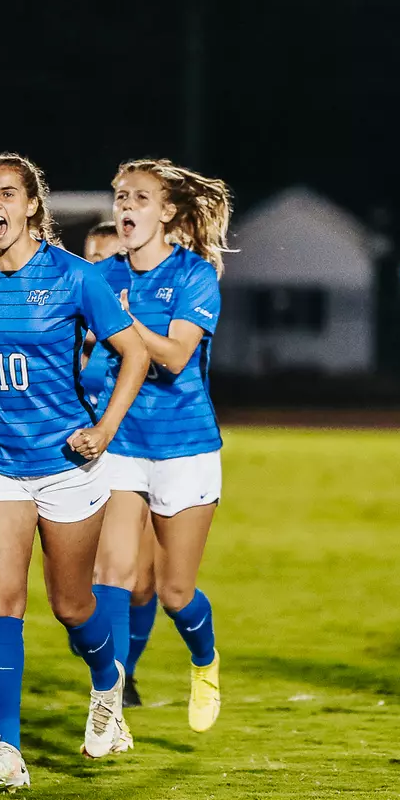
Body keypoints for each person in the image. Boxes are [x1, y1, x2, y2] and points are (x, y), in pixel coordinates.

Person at [0, 153, 150, 792]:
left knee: (72, 606)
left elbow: (132, 353)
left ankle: (107, 684)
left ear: (32, 206)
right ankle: (5, 750)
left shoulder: (77, 279)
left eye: (8, 193)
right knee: (0, 600)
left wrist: (103, 430)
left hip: (66, 465)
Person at [91, 160, 232, 732]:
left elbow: (173, 357)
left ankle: (205, 661)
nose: (126, 207)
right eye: (121, 196)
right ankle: (109, 701)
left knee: (175, 592)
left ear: (168, 211)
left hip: (186, 447)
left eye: (141, 198)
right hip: (122, 445)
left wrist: (122, 323)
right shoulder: (99, 277)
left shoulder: (195, 276)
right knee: (115, 575)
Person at [80, 220, 159, 708]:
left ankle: (124, 673)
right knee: (95, 579)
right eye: (96, 260)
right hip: (83, 463)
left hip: (139, 455)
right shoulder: (65, 329)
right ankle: (107, 671)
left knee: (141, 580)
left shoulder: (138, 336)